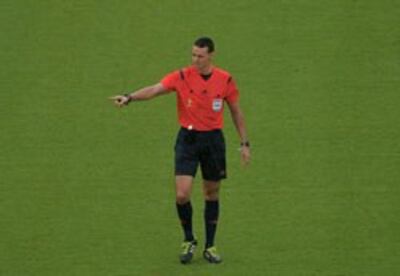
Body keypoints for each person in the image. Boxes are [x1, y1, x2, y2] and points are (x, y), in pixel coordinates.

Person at [110, 37, 250, 264]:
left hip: (213, 141)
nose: (195, 60)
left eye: (200, 56)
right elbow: (155, 89)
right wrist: (130, 97)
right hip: (188, 139)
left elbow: (236, 111)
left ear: (211, 55)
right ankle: (189, 239)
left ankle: (210, 246)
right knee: (182, 194)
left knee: (211, 193)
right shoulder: (182, 76)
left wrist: (244, 144)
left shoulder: (225, 80)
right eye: (193, 55)